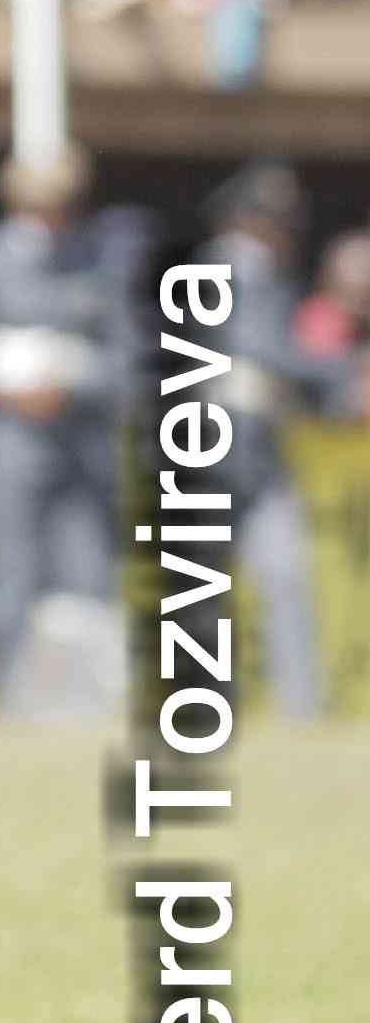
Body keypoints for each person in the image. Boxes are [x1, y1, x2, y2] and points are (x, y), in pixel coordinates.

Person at [0, 147, 139, 721]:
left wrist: (74, 389)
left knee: (85, 566)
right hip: (6, 434)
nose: (45, 216)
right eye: (35, 204)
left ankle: (86, 698)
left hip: (78, 437)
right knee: (10, 567)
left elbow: (127, 358)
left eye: (57, 204)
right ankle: (12, 692)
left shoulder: (99, 265)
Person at [181, 164, 331, 724]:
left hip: (260, 447)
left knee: (283, 573)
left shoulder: (272, 279)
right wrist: (341, 371)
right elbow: (263, 348)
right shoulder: (218, 267)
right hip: (211, 441)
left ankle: (301, 703)